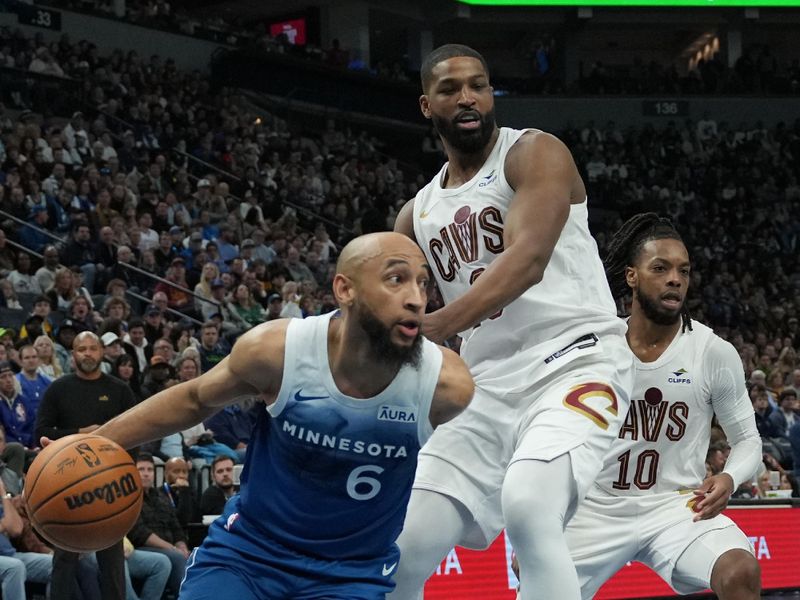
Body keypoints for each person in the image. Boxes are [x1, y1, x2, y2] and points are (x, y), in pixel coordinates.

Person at [92, 232, 473, 599]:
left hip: (350, 574)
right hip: (248, 556)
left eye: (423, 284)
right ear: (345, 289)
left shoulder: (445, 386)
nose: (416, 299)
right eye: (396, 279)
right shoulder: (278, 351)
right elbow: (194, 399)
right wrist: (95, 444)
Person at [389, 44, 633, 600]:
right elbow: (392, 310)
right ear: (428, 106)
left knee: (529, 504)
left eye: (479, 84)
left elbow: (527, 260)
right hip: (486, 385)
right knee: (401, 547)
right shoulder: (416, 213)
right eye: (451, 89)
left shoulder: (534, 153)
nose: (468, 97)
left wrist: (435, 324)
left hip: (576, 358)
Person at [562, 214, 762, 599]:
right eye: (661, 268)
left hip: (678, 507)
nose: (675, 279)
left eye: (683, 271)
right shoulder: (596, 349)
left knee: (740, 571)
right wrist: (543, 520)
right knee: (538, 582)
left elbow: (749, 441)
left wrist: (728, 478)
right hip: (595, 508)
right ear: (632, 276)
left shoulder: (713, 352)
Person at [35, 331, 138, 600]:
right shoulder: (58, 389)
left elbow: (137, 432)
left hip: (108, 484)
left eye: (93, 348)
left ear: (102, 353)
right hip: (68, 486)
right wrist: (82, 433)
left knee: (112, 562)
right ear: (73, 355)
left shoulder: (119, 390)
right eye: (82, 349)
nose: (88, 354)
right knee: (64, 560)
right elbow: (41, 432)